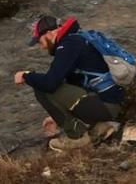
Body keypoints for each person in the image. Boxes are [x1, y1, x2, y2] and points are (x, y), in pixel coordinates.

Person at [14, 14, 125, 151]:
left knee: (41, 88)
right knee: (53, 84)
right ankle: (98, 127)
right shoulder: (76, 38)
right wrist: (55, 116)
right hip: (111, 102)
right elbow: (70, 84)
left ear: (49, 34)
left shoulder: (68, 45)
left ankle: (77, 137)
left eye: (40, 41)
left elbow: (50, 84)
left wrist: (26, 75)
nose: (41, 47)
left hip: (107, 107)